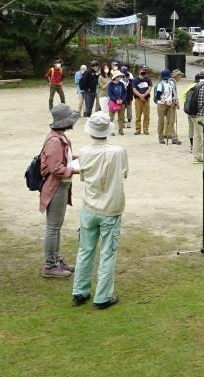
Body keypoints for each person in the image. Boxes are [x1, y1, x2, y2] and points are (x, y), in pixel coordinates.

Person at [71, 111, 128, 310]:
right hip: (111, 207)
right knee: (107, 252)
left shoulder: (84, 152)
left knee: (85, 249)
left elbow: (83, 174)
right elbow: (124, 173)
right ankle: (103, 296)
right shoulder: (118, 152)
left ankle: (80, 290)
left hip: (90, 205)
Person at [39, 103, 81, 278]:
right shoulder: (55, 141)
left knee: (56, 226)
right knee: (53, 227)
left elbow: (64, 159)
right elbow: (55, 167)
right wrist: (76, 170)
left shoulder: (59, 137)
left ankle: (55, 259)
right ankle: (50, 265)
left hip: (61, 186)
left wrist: (80, 157)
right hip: (56, 187)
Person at [155, 69, 182, 145]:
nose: (166, 79)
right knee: (161, 121)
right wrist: (165, 102)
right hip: (162, 105)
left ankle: (174, 138)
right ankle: (160, 137)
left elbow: (172, 94)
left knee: (171, 121)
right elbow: (158, 97)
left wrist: (175, 100)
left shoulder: (171, 83)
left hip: (170, 104)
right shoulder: (160, 85)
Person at [131, 67, 152, 135]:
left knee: (146, 114)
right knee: (138, 114)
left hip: (146, 99)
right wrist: (140, 95)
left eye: (145, 70)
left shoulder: (148, 79)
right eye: (143, 70)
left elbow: (150, 88)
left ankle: (146, 129)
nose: (144, 71)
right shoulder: (135, 80)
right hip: (138, 99)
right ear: (139, 71)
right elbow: (134, 89)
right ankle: (138, 129)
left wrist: (144, 95)